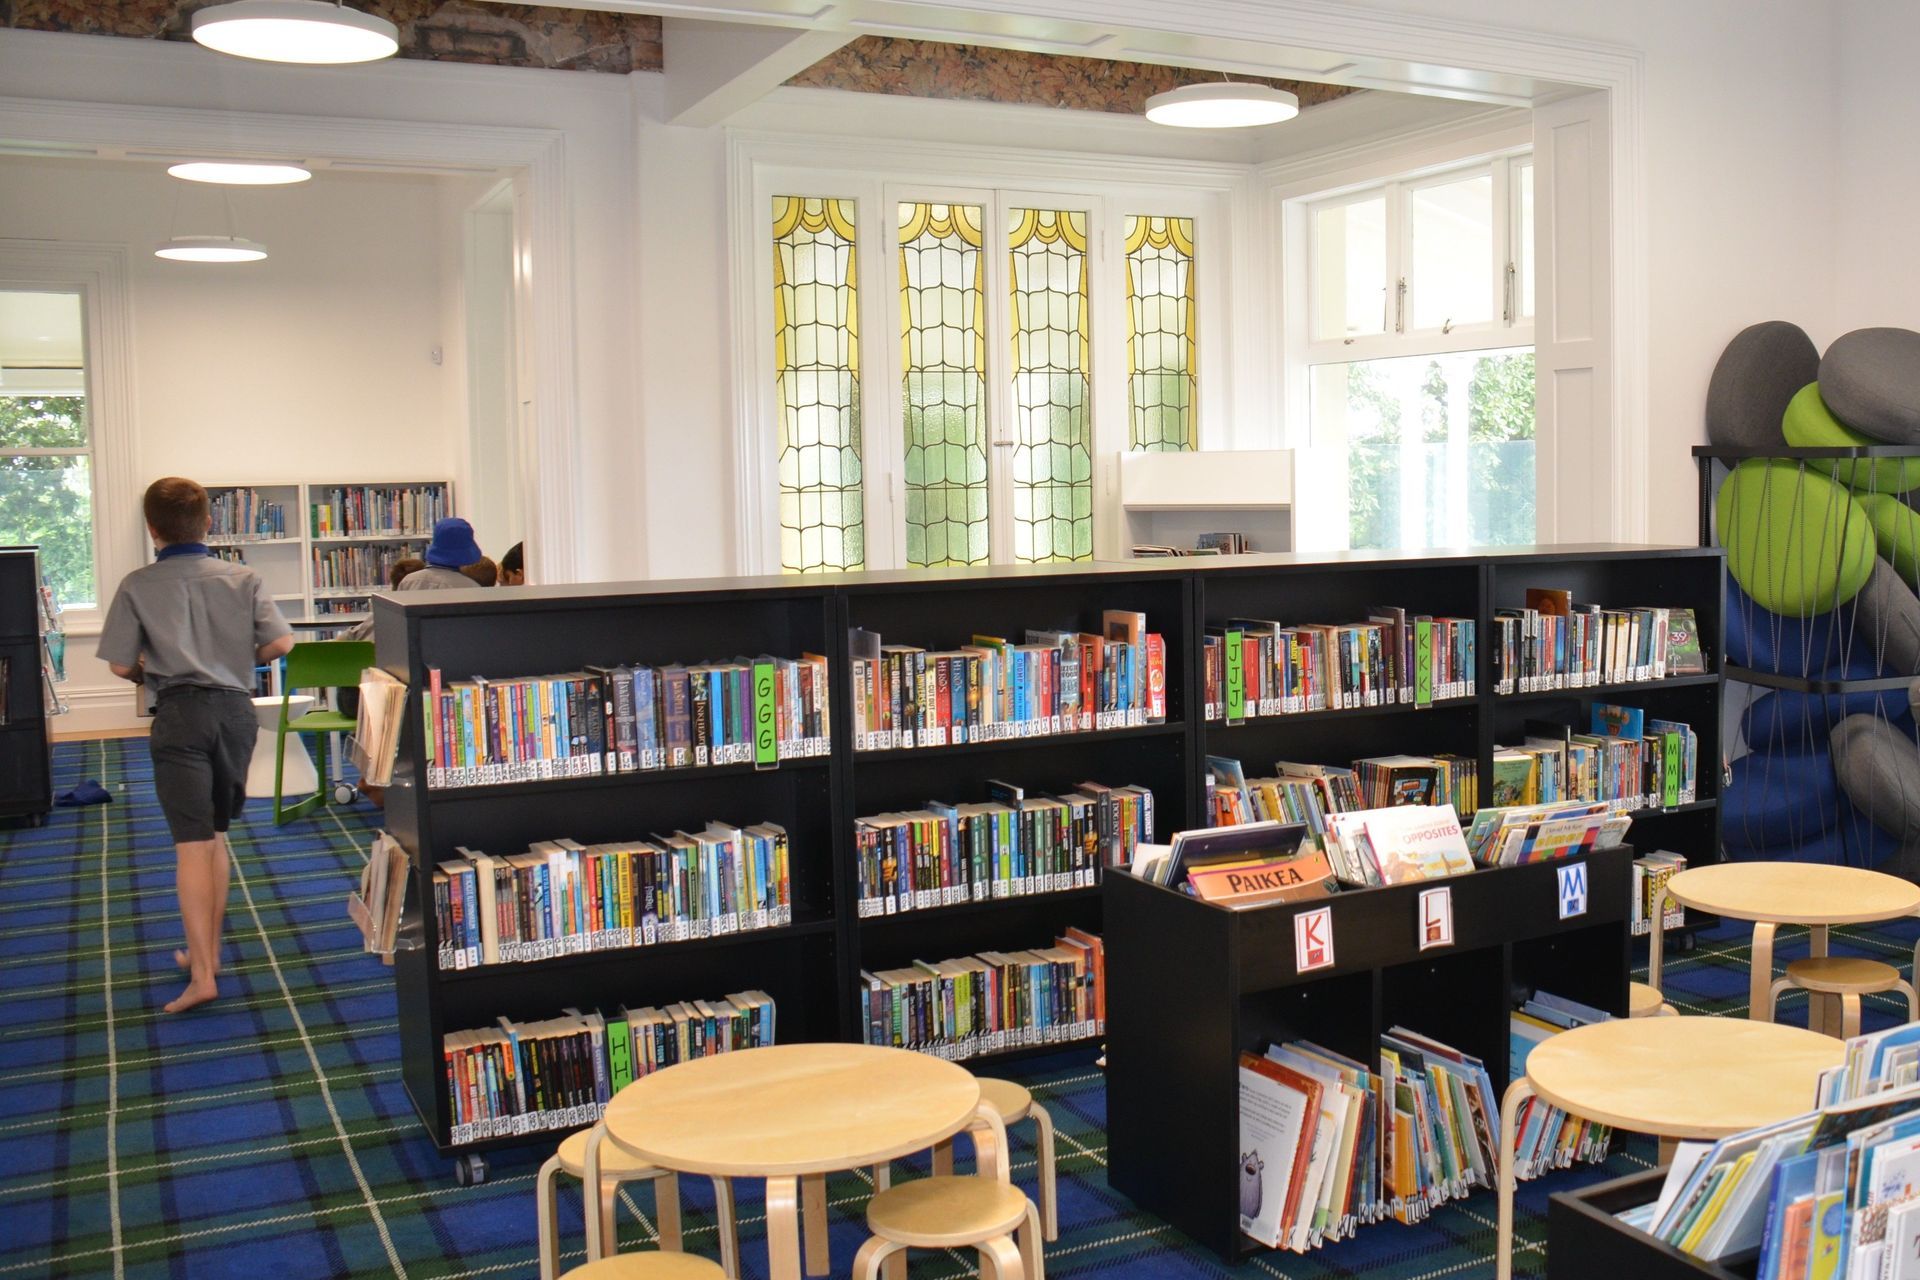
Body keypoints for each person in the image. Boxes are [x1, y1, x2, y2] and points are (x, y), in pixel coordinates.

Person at [99, 477, 294, 1014]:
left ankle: (203, 974)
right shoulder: (243, 576)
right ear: (209, 522)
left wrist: (155, 669)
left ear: (152, 529)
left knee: (191, 843)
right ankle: (205, 953)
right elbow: (279, 643)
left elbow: (120, 664)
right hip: (235, 711)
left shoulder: (138, 584)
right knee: (217, 835)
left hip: (180, 712)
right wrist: (230, 657)